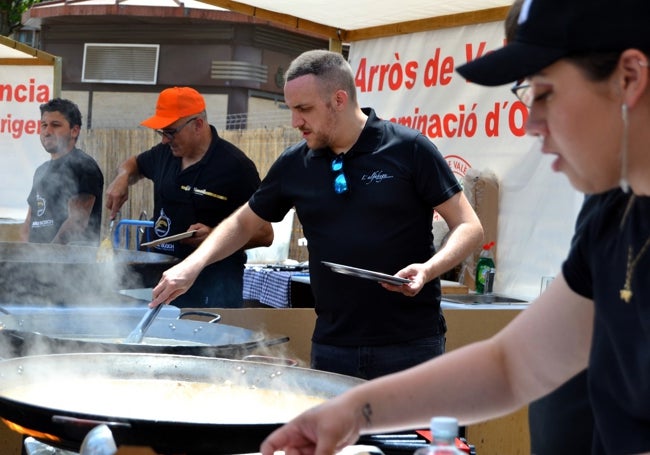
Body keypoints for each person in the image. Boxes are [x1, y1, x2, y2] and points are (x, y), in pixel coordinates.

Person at [258, 0, 650, 454]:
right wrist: (350, 412)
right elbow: (510, 366)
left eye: (543, 94)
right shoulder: (613, 213)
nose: (530, 124)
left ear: (629, 78)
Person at [150, 50, 484, 380]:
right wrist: (193, 265)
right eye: (291, 109)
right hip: (332, 346)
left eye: (304, 109)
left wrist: (429, 269)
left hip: (411, 346)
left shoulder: (409, 149)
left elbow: (469, 226)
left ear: (339, 99)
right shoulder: (296, 162)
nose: (295, 121)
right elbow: (243, 222)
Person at [105, 86, 273, 308]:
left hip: (213, 287)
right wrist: (123, 177)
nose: (165, 140)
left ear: (198, 125)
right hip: (162, 276)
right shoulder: (164, 154)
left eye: (171, 131)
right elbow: (134, 164)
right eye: (162, 132)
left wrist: (213, 236)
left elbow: (265, 234)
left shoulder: (235, 166)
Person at [19, 98, 104, 245]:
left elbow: (77, 223)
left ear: (74, 130)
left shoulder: (84, 166)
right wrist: (25, 258)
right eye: (44, 125)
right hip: (35, 263)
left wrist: (48, 259)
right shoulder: (41, 171)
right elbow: (29, 222)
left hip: (71, 264)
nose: (47, 131)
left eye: (55, 125)